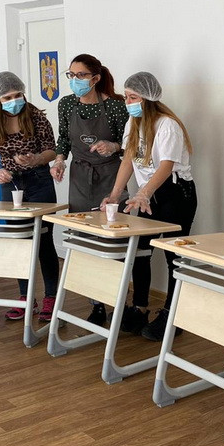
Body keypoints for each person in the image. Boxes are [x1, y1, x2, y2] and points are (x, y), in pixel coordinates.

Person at [100, 72, 196, 340]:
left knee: (174, 255)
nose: (128, 102)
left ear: (148, 98)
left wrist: (144, 192)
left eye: (133, 97)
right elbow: (128, 158)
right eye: (126, 96)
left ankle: (172, 315)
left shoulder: (167, 125)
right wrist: (115, 194)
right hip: (147, 194)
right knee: (140, 250)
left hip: (175, 193)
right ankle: (139, 307)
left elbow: (166, 166)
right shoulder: (134, 122)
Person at [50, 54, 128, 325]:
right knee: (83, 239)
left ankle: (118, 301)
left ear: (95, 78)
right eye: (71, 75)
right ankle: (95, 303)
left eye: (81, 75)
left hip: (111, 177)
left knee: (113, 238)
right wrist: (59, 161)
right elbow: (63, 138)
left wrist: (113, 146)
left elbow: (131, 144)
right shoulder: (66, 104)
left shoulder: (116, 106)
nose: (75, 80)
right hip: (80, 178)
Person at [0, 71, 60, 323]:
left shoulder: (36, 117)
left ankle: (51, 298)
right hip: (11, 184)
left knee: (44, 242)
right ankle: (26, 298)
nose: (14, 101)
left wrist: (36, 159)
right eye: (7, 97)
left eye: (17, 95)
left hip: (39, 181)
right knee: (19, 242)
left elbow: (51, 150)